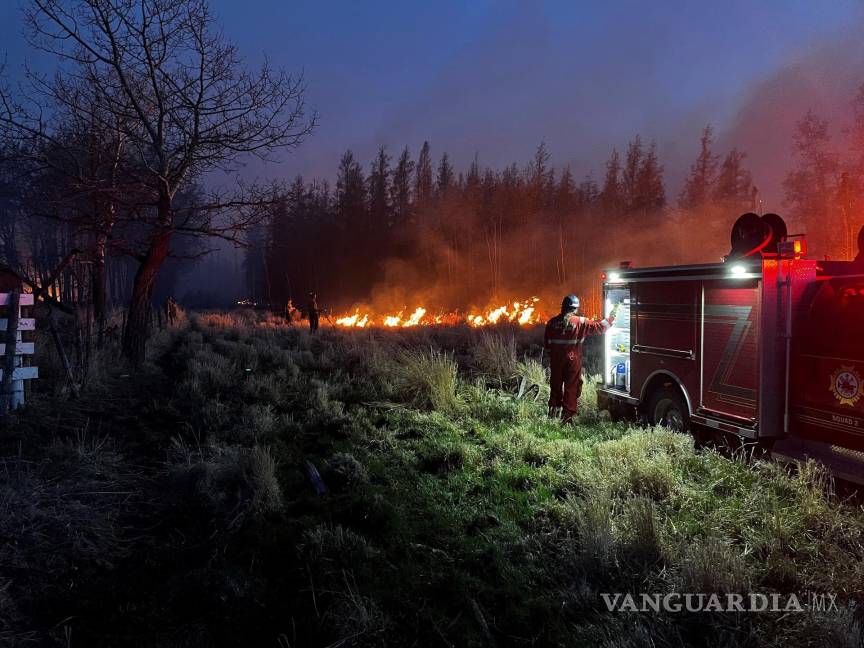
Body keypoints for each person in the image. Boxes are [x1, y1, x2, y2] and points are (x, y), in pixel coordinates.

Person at [544, 295, 617, 424]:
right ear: (575, 309)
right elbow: (600, 327)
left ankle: (552, 415)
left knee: (555, 386)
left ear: (563, 307)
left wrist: (555, 356)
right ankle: (567, 418)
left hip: (556, 360)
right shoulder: (581, 322)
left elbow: (548, 345)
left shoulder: (551, 323)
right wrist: (612, 316)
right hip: (573, 360)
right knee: (571, 387)